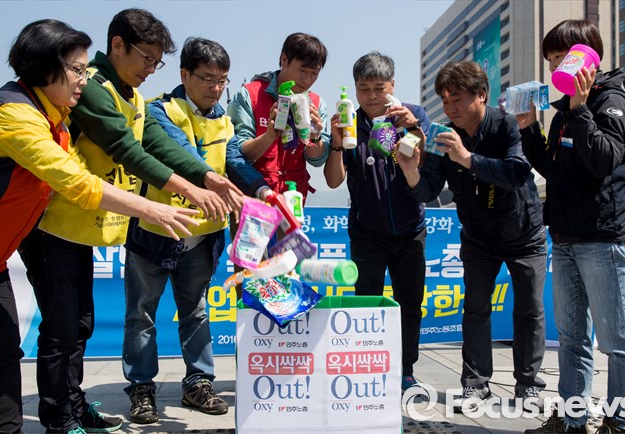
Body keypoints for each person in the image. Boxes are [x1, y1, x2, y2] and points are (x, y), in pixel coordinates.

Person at [0, 19, 199, 434]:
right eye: (77, 70)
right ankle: (51, 417)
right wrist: (152, 209)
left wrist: (199, 180)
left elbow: (144, 141)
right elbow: (77, 182)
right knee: (47, 336)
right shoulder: (15, 116)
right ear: (46, 67)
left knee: (6, 353)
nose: (84, 79)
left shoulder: (55, 114)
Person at [17, 9, 242, 434]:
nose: (150, 68)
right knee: (65, 329)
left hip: (81, 227)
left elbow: (155, 143)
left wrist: (207, 177)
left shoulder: (133, 96)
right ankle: (61, 418)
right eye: (146, 58)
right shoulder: (94, 87)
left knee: (79, 325)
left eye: (156, 61)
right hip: (53, 224)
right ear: (117, 45)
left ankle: (74, 405)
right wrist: (192, 190)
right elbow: (126, 148)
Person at [122, 37, 263, 423]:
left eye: (222, 80)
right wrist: (212, 182)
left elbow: (234, 158)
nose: (216, 88)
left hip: (203, 235)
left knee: (196, 311)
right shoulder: (157, 111)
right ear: (184, 74)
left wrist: (262, 189)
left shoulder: (224, 119)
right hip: (156, 229)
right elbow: (180, 152)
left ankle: (198, 383)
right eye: (207, 78)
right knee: (141, 314)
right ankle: (141, 389)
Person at [400, 60, 548, 411]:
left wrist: (467, 158)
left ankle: (528, 384)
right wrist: (410, 171)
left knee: (529, 309)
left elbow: (516, 173)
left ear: (482, 94)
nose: (450, 108)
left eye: (458, 99)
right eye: (445, 101)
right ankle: (475, 385)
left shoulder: (508, 124)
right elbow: (428, 190)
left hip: (523, 233)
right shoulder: (441, 136)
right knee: (476, 308)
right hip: (478, 236)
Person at [519, 19, 625, 434]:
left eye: (562, 58)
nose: (556, 67)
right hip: (566, 236)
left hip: (603, 239)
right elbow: (553, 171)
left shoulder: (612, 101)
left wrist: (581, 108)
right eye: (551, 60)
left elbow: (604, 160)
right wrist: (529, 129)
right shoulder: (566, 111)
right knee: (571, 339)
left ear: (587, 57)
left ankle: (623, 422)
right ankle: (572, 420)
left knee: (616, 341)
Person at [323, 51, 429, 391]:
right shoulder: (347, 122)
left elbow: (425, 162)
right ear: (354, 88)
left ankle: (405, 370)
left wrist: (411, 128)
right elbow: (333, 181)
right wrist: (336, 145)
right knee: (366, 304)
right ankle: (366, 368)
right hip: (367, 234)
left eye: (379, 88)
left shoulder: (412, 115)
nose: (371, 96)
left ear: (392, 86)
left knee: (409, 305)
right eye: (363, 88)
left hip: (411, 232)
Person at [227, 32, 330, 200]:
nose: (307, 79)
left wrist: (315, 137)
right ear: (283, 59)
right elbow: (236, 155)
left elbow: (317, 161)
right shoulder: (249, 95)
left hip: (292, 200)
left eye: (314, 73)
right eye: (302, 70)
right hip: (251, 200)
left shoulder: (317, 104)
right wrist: (268, 137)